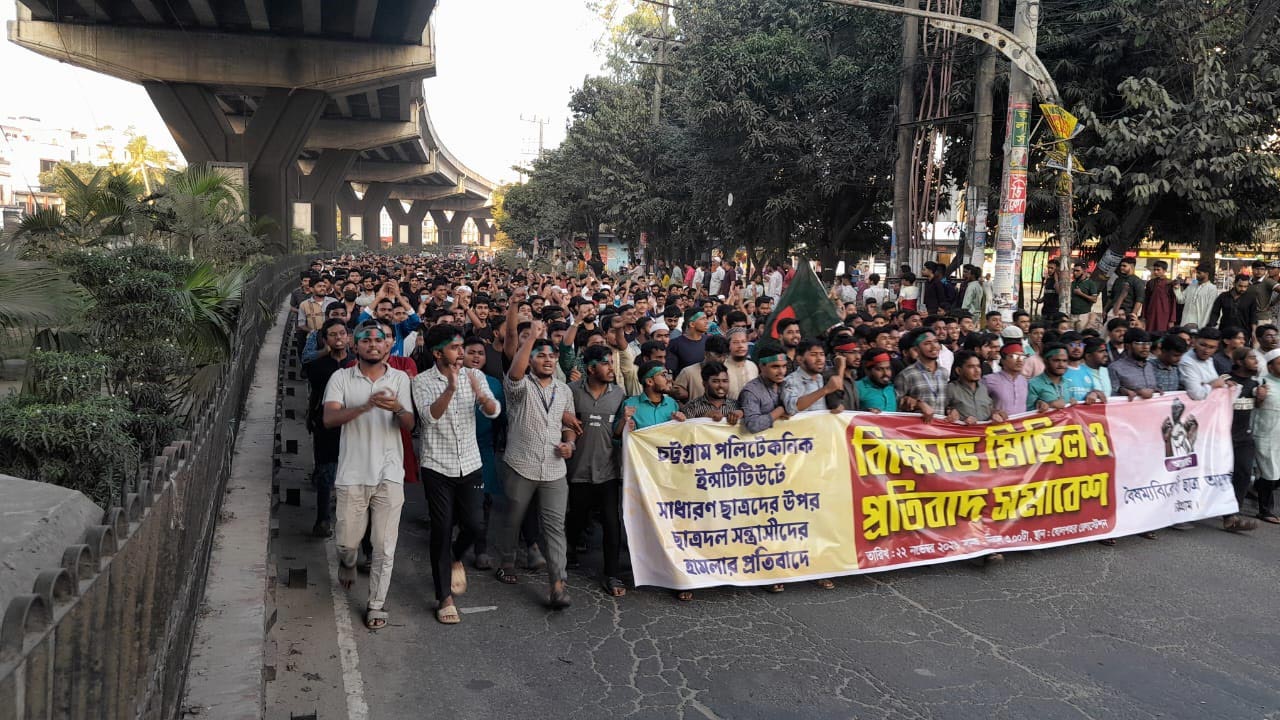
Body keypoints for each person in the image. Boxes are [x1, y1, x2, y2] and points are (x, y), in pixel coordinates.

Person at [322, 322, 415, 630]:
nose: (373, 344)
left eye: (379, 340)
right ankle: (348, 562)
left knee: (384, 546)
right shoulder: (341, 378)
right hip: (352, 473)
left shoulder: (400, 378)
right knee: (346, 543)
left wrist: (398, 408)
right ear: (355, 345)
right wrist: (365, 406)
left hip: (390, 473)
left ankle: (376, 603)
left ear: (388, 346)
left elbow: (410, 424)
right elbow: (330, 418)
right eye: (366, 340)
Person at [411, 324, 501, 625]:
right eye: (455, 347)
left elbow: (493, 411)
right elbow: (429, 418)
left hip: (470, 463)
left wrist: (483, 398)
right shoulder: (422, 381)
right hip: (437, 465)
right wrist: (450, 388)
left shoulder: (474, 376)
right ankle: (444, 596)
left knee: (475, 525)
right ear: (438, 353)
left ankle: (455, 556)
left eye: (462, 347)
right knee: (442, 527)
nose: (462, 353)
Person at [497, 328, 577, 610]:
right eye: (540, 355)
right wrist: (531, 337)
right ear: (529, 359)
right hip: (521, 463)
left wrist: (570, 444)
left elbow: (568, 425)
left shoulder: (564, 390)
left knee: (555, 527)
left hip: (554, 469)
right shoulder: (519, 386)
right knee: (513, 519)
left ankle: (558, 584)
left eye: (551, 356)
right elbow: (515, 374)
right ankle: (507, 561)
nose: (547, 360)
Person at [565, 345, 628, 597]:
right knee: (577, 517)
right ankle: (568, 551)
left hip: (608, 471)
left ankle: (611, 573)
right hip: (578, 470)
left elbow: (623, 430)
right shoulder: (571, 391)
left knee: (612, 523)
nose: (611, 368)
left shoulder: (619, 394)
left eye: (612, 363)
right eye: (605, 363)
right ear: (591, 369)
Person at [305, 318, 351, 538]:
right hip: (326, 425)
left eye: (342, 333)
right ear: (325, 339)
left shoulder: (356, 364)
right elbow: (316, 392)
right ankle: (322, 519)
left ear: (348, 337)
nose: (338, 338)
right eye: (333, 334)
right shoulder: (317, 366)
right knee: (326, 472)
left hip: (352, 426)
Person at [1224, 348, 1261, 532]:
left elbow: (1257, 406)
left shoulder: (1256, 383)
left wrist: (1260, 398)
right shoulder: (1225, 380)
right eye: (1252, 358)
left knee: (1244, 473)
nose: (1256, 361)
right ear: (1239, 361)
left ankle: (1232, 516)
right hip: (1223, 437)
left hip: (1244, 438)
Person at [781, 339, 846, 416]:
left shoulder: (822, 378)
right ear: (800, 359)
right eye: (813, 355)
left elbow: (835, 404)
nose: (819, 359)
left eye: (822, 354)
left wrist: (838, 407)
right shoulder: (790, 380)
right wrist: (825, 390)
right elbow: (791, 408)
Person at [1252, 349, 1280, 524]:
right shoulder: (1261, 383)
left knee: (1275, 474)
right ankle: (1265, 510)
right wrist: (1259, 397)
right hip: (1265, 434)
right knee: (1270, 472)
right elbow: (1254, 403)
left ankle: (1256, 485)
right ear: (1270, 367)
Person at [894, 329, 948, 420]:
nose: (934, 346)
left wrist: (951, 409)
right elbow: (897, 403)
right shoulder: (907, 374)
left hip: (939, 427)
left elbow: (945, 403)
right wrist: (917, 404)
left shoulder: (944, 373)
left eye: (936, 341)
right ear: (916, 349)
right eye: (927, 343)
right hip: (916, 427)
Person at [946, 351, 1005, 423]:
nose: (977, 370)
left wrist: (996, 413)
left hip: (985, 430)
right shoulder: (951, 388)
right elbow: (941, 413)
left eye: (978, 366)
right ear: (959, 370)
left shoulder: (983, 388)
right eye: (971, 367)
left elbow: (989, 409)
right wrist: (951, 412)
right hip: (962, 430)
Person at [671, 334, 729, 404]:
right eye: (718, 356)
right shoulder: (688, 372)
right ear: (706, 354)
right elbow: (675, 398)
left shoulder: (729, 372)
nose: (722, 359)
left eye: (725, 356)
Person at [1108, 329, 1159, 400]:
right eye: (1139, 343)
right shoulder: (1115, 367)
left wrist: (1156, 391)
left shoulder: (1151, 366)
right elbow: (1111, 392)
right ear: (1127, 346)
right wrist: (1134, 392)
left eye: (1148, 343)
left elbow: (1153, 388)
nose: (1146, 347)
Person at [1179, 328, 1228, 401]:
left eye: (1212, 347)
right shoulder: (1186, 362)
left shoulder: (1210, 359)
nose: (1206, 351)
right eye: (1203, 345)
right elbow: (1197, 395)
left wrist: (1224, 384)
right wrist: (1212, 384)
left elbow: (1216, 382)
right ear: (1194, 342)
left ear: (1217, 348)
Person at [983, 340, 1029, 417]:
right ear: (1003, 360)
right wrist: (993, 412)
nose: (1019, 360)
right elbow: (979, 405)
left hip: (1022, 423)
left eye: (1022, 357)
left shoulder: (1024, 380)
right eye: (1014, 356)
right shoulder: (989, 380)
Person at [666, 307, 710, 374]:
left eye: (706, 318)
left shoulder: (709, 341)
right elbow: (671, 371)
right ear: (692, 324)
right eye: (702, 319)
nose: (706, 322)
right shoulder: (675, 344)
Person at [1180, 262, 1219, 330]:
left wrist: (1203, 327)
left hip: (1199, 326)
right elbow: (1181, 300)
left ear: (1206, 274)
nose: (1197, 275)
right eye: (1196, 273)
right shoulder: (1191, 286)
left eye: (1199, 273)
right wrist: (1176, 288)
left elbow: (1209, 310)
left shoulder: (1212, 289)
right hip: (1185, 323)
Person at [1141, 260, 1178, 333]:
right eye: (1154, 270)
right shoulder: (1150, 283)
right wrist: (1143, 316)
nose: (1155, 272)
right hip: (1151, 314)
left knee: (1162, 334)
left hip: (1164, 315)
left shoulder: (1170, 283)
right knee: (1149, 333)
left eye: (1158, 270)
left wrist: (1172, 319)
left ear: (1164, 271)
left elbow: (1173, 302)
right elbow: (1146, 300)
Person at [1104, 256, 1145, 321]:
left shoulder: (1137, 281)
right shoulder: (1118, 280)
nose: (1121, 267)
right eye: (1121, 266)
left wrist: (1133, 314)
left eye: (1124, 266)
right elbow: (1111, 297)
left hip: (1126, 313)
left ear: (1132, 266)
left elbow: (1139, 300)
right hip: (1112, 312)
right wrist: (1105, 310)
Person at [723, 328, 759, 398]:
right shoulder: (722, 368)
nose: (740, 346)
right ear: (728, 345)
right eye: (735, 342)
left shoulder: (752, 366)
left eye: (743, 342)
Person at [1070, 263, 1100, 330]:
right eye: (1074, 270)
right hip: (1072, 315)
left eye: (1077, 271)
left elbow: (1094, 299)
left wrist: (1081, 294)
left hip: (1083, 315)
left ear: (1084, 271)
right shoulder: (1073, 283)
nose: (1075, 273)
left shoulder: (1090, 283)